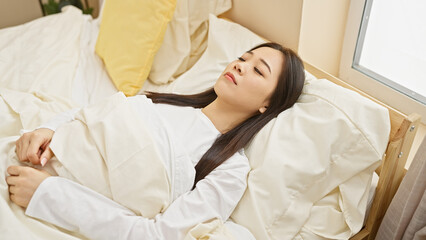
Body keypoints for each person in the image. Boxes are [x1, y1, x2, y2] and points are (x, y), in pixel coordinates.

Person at [6, 42, 305, 239]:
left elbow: (157, 235)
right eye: (243, 57)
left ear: (268, 103)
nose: (239, 65)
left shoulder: (229, 170)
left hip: (44, 199)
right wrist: (45, 130)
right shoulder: (166, 102)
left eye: (257, 70)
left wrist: (48, 196)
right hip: (27, 159)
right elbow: (88, 116)